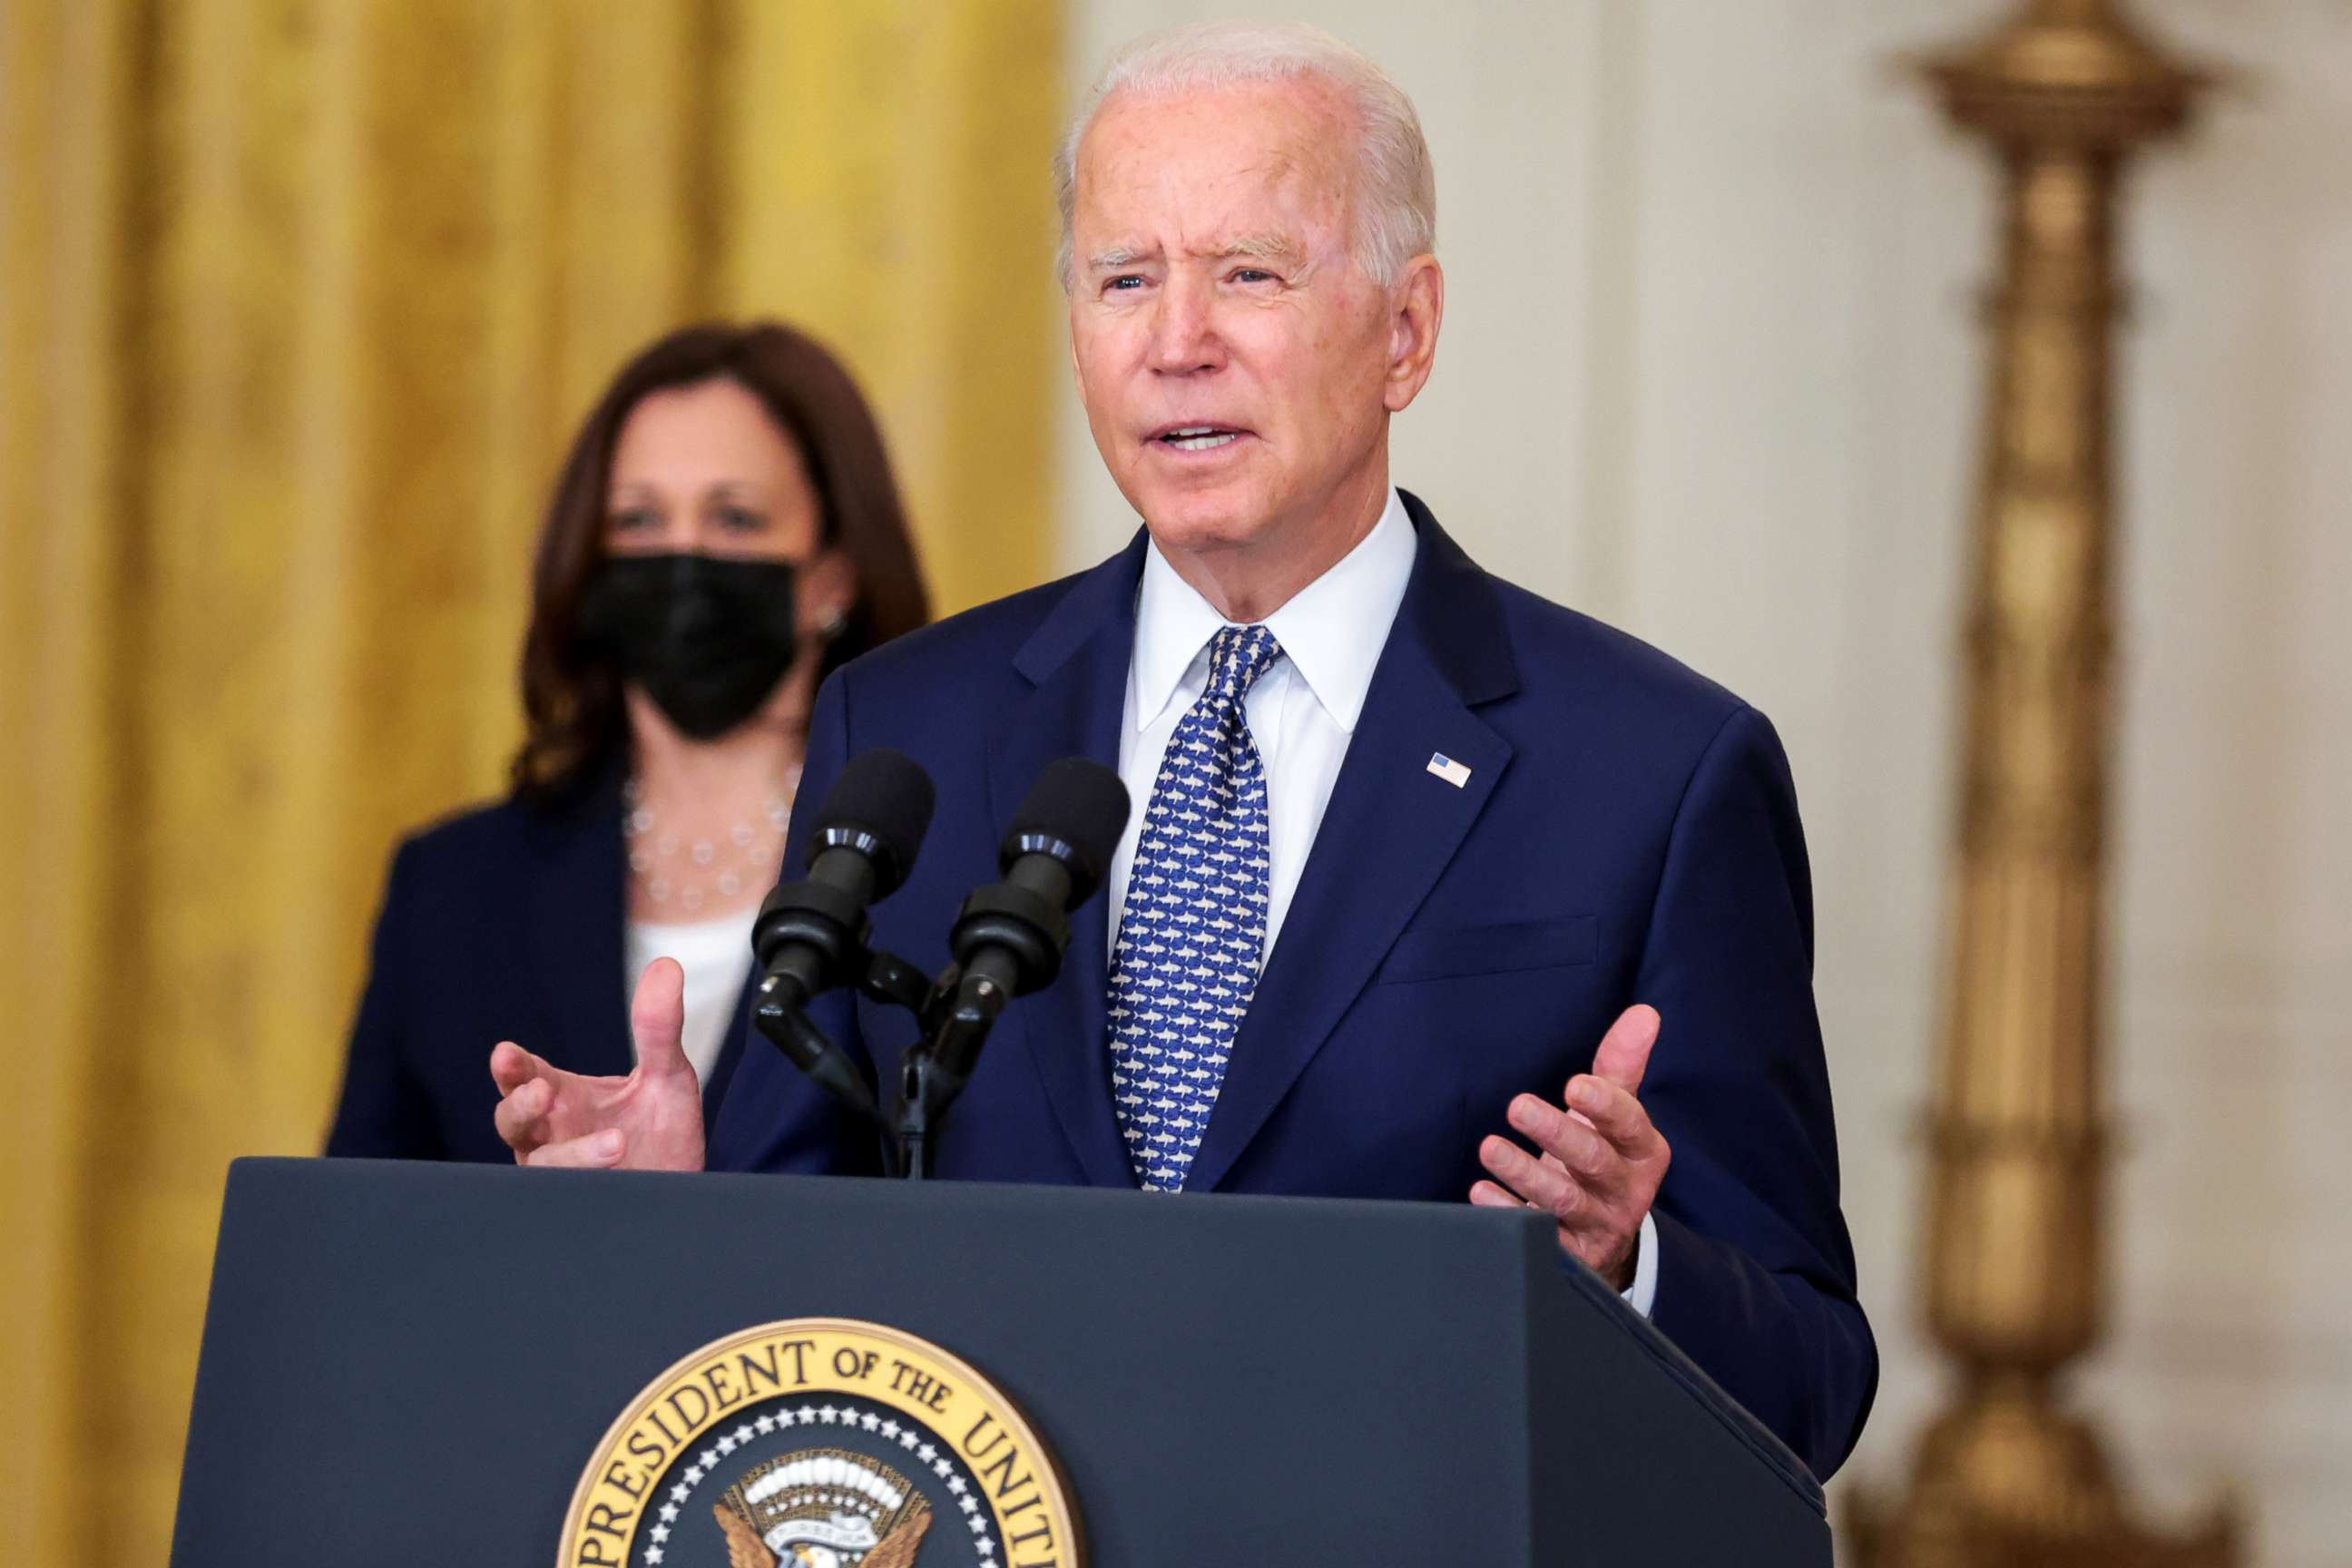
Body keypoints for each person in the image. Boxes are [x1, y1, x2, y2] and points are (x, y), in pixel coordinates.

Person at [488, 24, 1877, 1476]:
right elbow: (809, 1310)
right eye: (1125, 280)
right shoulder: (907, 729)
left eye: (1250, 274)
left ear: (1406, 330)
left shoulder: (1653, 773)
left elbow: (1811, 1379)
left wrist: (1629, 1267)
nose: (1177, 342)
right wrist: (681, 1216)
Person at [327, 321, 928, 1162]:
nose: (683, 561)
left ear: (833, 572)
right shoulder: (453, 890)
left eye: (734, 518)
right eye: (640, 521)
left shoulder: (935, 880)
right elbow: (356, 1247)